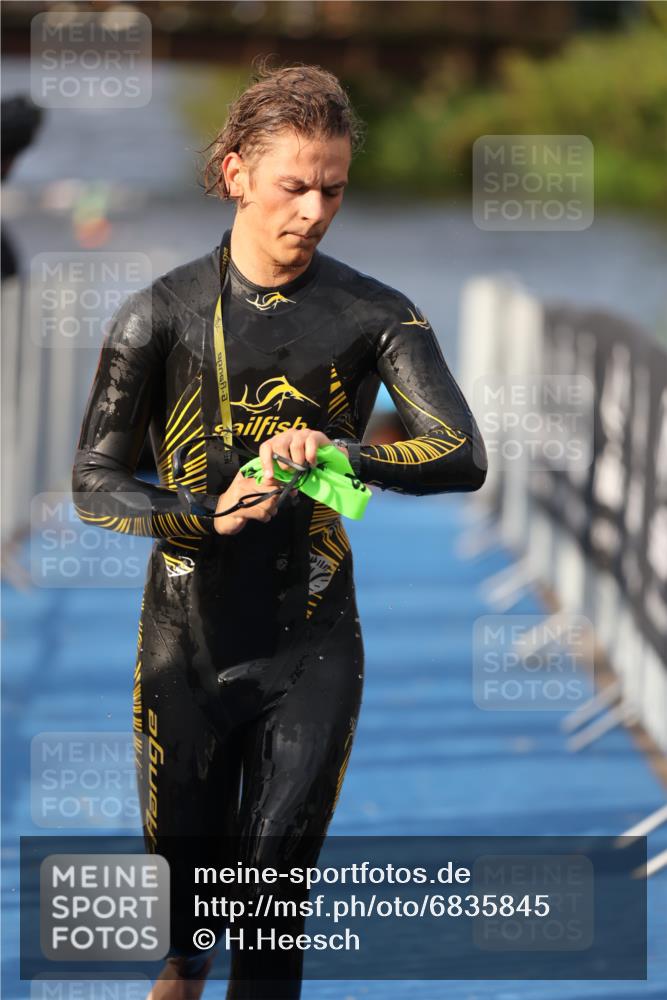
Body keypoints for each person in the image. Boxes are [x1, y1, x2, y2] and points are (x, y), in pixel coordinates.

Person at [72, 61, 487, 1000]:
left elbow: (461, 454)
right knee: (189, 916)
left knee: (270, 909)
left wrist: (340, 453)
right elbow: (93, 483)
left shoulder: (375, 313)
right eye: (292, 185)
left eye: (332, 189)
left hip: (311, 643)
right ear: (233, 174)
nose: (312, 209)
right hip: (186, 640)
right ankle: (183, 962)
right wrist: (203, 515)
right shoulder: (160, 315)